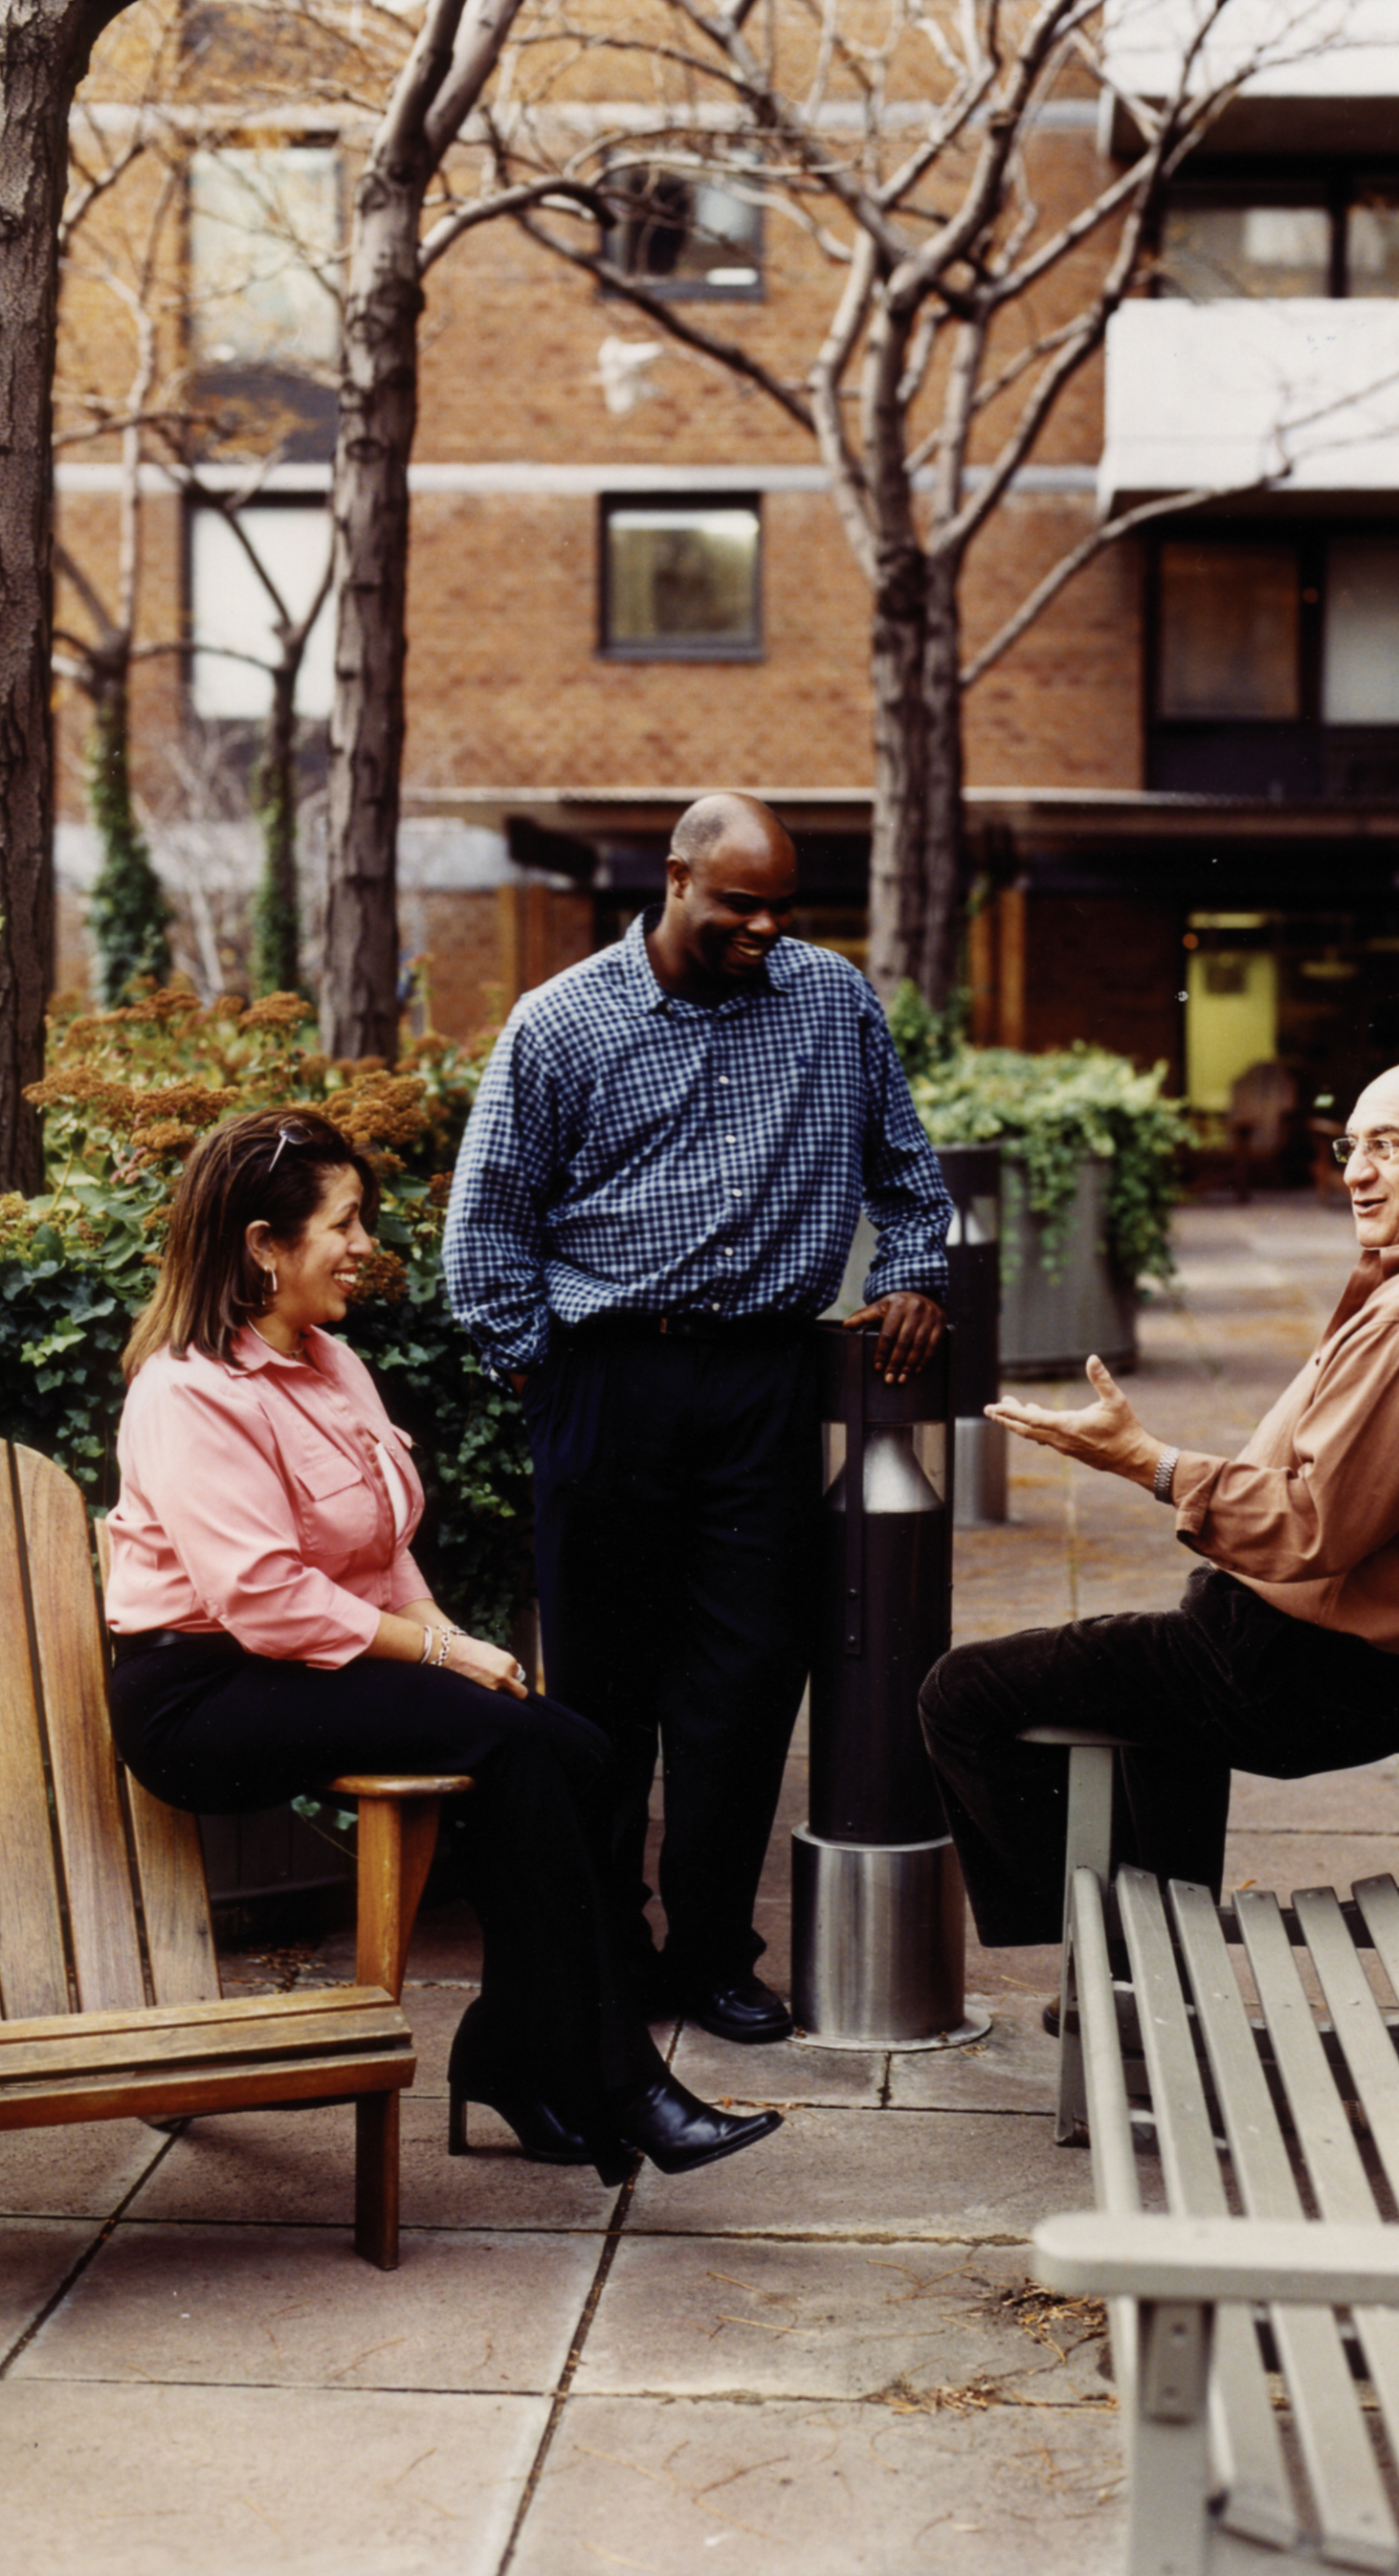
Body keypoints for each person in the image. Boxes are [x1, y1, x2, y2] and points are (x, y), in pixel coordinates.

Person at [102, 1107, 779, 2183]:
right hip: (200, 1696)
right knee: (514, 1745)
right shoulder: (187, 1393)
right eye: (345, 1222)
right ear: (264, 1246)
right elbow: (264, 1597)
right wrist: (445, 1660)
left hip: (304, 1665)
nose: (367, 1244)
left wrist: (461, 1641)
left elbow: (379, 1558)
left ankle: (512, 2052)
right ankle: (620, 2081)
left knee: (576, 1744)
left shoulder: (331, 1364)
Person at [443, 793, 953, 2043]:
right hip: (606, 1380)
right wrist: (542, 1371)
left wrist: (908, 1278)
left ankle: (712, 1954)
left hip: (765, 1386)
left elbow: (912, 1181)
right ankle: (607, 1948)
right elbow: (484, 1232)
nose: (765, 927)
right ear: (674, 880)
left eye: (783, 906)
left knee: (743, 1682)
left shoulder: (832, 1005)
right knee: (602, 1693)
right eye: (739, 903)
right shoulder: (558, 1023)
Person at [920, 1056, 1399, 1940]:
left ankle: (1088, 1953)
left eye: (1387, 1146)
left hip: (1303, 1675)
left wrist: (1146, 1462)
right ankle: (1142, 1967)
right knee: (1151, 1695)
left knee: (961, 1692)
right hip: (1349, 1660)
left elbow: (1312, 1526)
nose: (1353, 1171)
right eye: (1351, 1144)